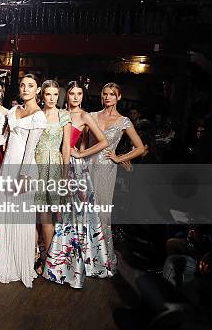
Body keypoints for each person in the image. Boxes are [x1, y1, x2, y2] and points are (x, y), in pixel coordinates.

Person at [44, 81, 112, 287]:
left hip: (73, 168)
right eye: (72, 93)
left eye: (79, 93)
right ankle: (55, 257)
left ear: (83, 95)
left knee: (73, 214)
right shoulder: (59, 112)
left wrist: (81, 153)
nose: (75, 97)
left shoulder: (84, 116)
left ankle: (75, 262)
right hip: (52, 161)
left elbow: (103, 141)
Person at [87, 82, 145, 273]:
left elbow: (140, 148)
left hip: (106, 170)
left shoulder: (124, 121)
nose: (108, 97)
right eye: (105, 94)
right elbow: (84, 143)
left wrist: (120, 158)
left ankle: (102, 259)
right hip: (87, 166)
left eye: (112, 94)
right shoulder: (92, 116)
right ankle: (83, 257)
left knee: (102, 212)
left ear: (119, 97)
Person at [0, 74, 47, 288]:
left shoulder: (39, 116)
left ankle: (19, 264)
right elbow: (4, 140)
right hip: (7, 166)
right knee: (5, 215)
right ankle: (3, 260)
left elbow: (29, 150)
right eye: (23, 85)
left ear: (38, 91)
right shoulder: (11, 111)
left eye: (31, 86)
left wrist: (22, 177)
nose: (25, 89)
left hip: (24, 171)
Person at [33, 80, 71, 274]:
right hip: (36, 164)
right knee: (33, 217)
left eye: (55, 95)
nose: (52, 98)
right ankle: (32, 257)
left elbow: (66, 147)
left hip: (54, 166)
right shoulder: (37, 114)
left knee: (47, 217)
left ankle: (47, 262)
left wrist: (65, 173)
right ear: (42, 95)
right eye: (48, 94)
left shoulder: (64, 116)